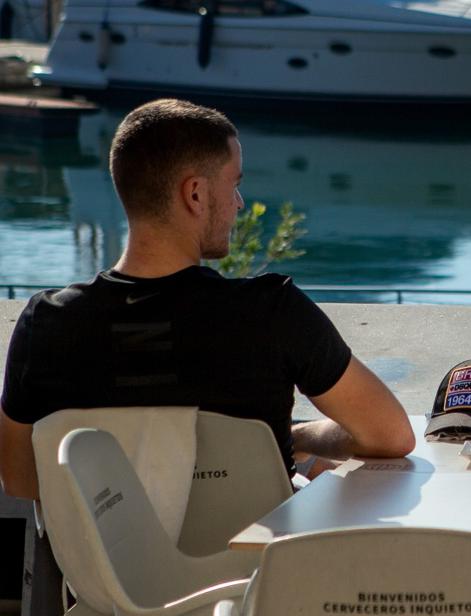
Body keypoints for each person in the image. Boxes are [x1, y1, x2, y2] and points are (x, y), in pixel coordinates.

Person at [0, 99, 415, 501]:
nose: (239, 204)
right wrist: (293, 439)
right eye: (234, 184)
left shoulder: (46, 323)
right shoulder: (270, 312)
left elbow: (20, 480)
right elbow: (390, 435)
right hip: (256, 567)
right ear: (195, 194)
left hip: (108, 572)